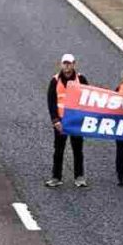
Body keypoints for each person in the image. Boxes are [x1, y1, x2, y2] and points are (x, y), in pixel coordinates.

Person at [46, 53, 89, 188]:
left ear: (74, 64)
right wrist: (55, 120)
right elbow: (51, 102)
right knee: (58, 150)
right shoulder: (55, 80)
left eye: (69, 63)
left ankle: (79, 176)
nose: (67, 66)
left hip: (76, 121)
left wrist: (83, 118)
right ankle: (56, 177)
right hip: (60, 122)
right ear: (61, 64)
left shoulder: (81, 79)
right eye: (65, 63)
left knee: (78, 150)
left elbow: (89, 98)